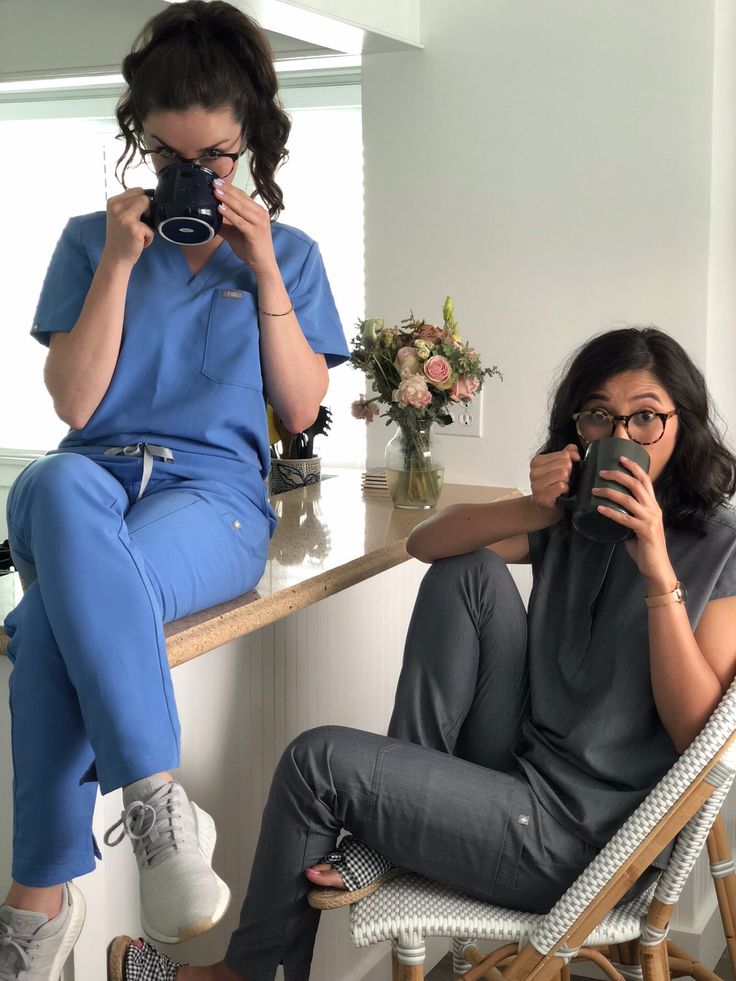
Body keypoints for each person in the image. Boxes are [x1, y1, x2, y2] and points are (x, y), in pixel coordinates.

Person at [106, 326, 736, 981]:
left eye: (645, 418)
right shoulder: (573, 520)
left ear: (681, 424)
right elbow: (428, 545)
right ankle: (390, 834)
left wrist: (659, 571)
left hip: (585, 841)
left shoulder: (719, 546)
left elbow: (699, 735)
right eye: (600, 416)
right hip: (521, 771)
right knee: (468, 572)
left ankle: (244, 974)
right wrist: (535, 506)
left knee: (315, 762)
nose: (622, 435)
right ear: (577, 427)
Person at [0, 2, 348, 978]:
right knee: (53, 485)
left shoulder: (293, 258)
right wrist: (117, 263)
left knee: (48, 626)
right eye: (170, 160)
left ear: (250, 147)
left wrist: (263, 266)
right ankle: (160, 808)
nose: (194, 178)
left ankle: (35, 910)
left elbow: (301, 405)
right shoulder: (90, 241)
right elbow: (75, 406)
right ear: (145, 149)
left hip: (215, 500)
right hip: (95, 487)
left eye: (217, 159)